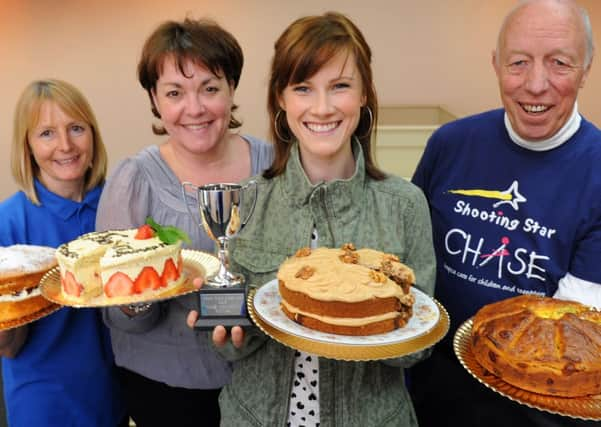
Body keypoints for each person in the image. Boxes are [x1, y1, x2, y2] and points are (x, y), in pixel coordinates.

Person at [187, 11, 436, 426]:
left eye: (340, 86)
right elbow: (233, 347)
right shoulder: (245, 203)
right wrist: (228, 334)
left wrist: (368, 319)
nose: (322, 108)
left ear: (363, 96)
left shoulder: (406, 205)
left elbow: (417, 347)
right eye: (303, 88)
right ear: (281, 100)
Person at [410, 1, 601, 426]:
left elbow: (570, 338)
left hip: (533, 410)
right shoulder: (449, 143)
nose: (536, 84)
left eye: (559, 63)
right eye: (519, 62)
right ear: (496, 64)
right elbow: (409, 258)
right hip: (425, 394)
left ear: (586, 69)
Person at [95, 18, 273, 427]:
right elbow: (117, 316)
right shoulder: (133, 181)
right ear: (155, 101)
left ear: (232, 90)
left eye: (210, 88)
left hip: (266, 382)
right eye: (175, 93)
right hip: (166, 390)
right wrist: (143, 292)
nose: (194, 108)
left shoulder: (276, 169)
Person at [0, 79, 126, 426]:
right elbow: (8, 345)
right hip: (44, 405)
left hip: (116, 398)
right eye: (46, 134)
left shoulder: (117, 205)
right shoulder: (8, 222)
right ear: (26, 144)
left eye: (75, 128)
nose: (65, 145)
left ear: (93, 135)